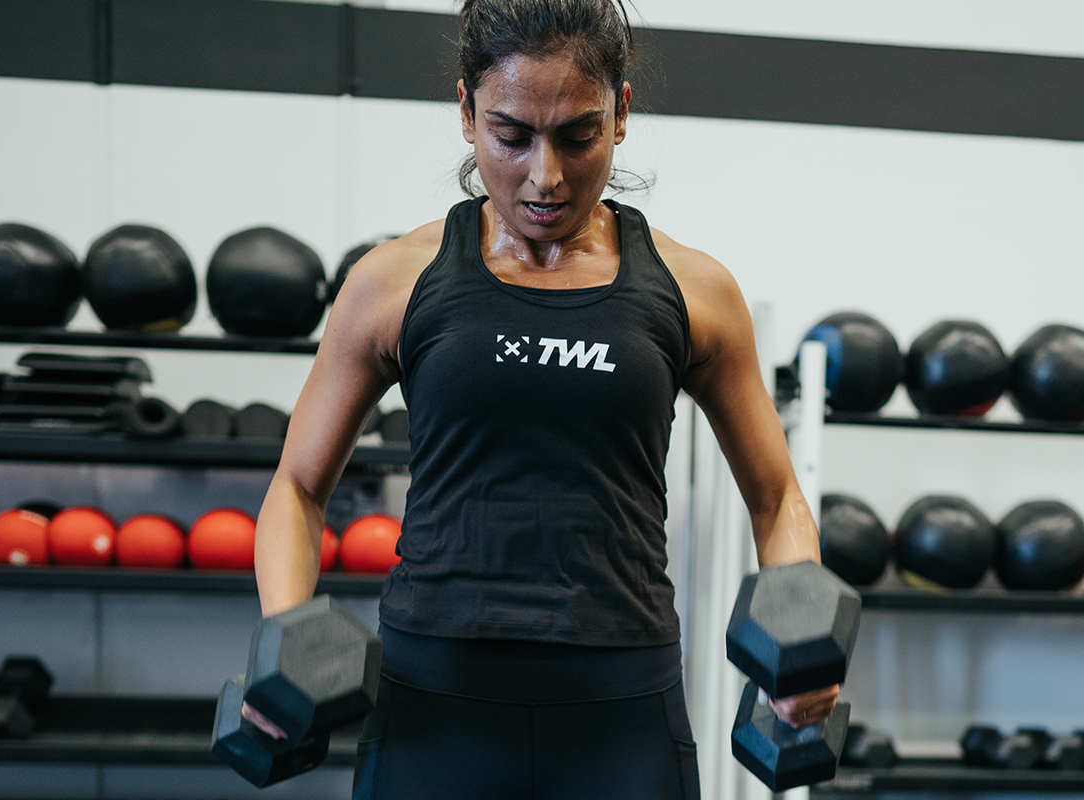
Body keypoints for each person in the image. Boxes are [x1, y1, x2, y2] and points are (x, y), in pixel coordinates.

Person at [250, 0, 837, 797]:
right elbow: (297, 487)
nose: (545, 175)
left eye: (577, 134)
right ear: (465, 112)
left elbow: (774, 497)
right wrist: (286, 633)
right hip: (435, 704)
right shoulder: (392, 281)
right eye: (512, 134)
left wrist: (801, 640)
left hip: (621, 706)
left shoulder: (695, 291)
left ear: (622, 113)